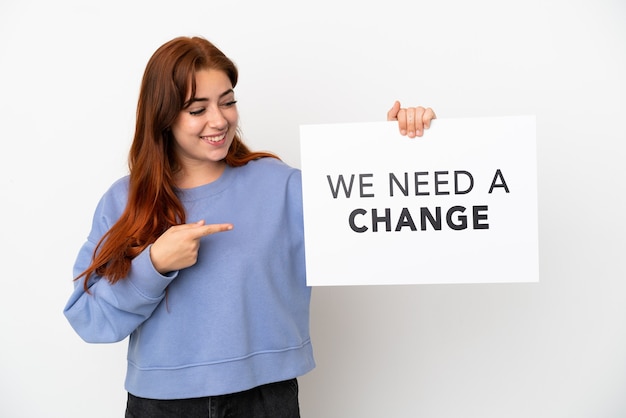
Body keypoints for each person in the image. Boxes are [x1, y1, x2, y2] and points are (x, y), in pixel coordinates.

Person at [63, 35, 435, 418]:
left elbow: (376, 220)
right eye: (197, 109)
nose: (219, 120)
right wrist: (153, 264)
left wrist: (400, 147)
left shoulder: (281, 186)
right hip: (160, 406)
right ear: (163, 115)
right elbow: (88, 318)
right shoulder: (125, 200)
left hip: (265, 400)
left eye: (228, 102)